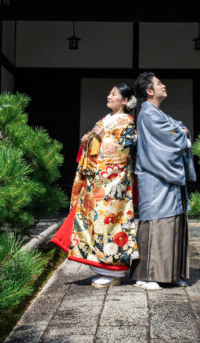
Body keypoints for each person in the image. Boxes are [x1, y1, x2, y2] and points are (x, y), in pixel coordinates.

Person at [51, 83, 138, 287]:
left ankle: (114, 270)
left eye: (114, 94)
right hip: (95, 181)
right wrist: (86, 143)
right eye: (109, 92)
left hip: (113, 183)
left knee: (110, 223)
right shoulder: (105, 119)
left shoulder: (127, 122)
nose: (109, 96)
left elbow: (125, 151)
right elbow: (93, 149)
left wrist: (101, 137)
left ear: (125, 101)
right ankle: (100, 265)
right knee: (93, 222)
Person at [130, 72, 195, 290]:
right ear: (149, 91)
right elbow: (174, 134)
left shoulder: (156, 113)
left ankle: (170, 273)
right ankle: (145, 276)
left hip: (166, 179)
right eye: (159, 84)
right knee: (156, 225)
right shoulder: (147, 114)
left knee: (173, 224)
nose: (163, 86)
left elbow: (177, 127)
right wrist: (182, 132)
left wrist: (180, 130)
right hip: (155, 179)